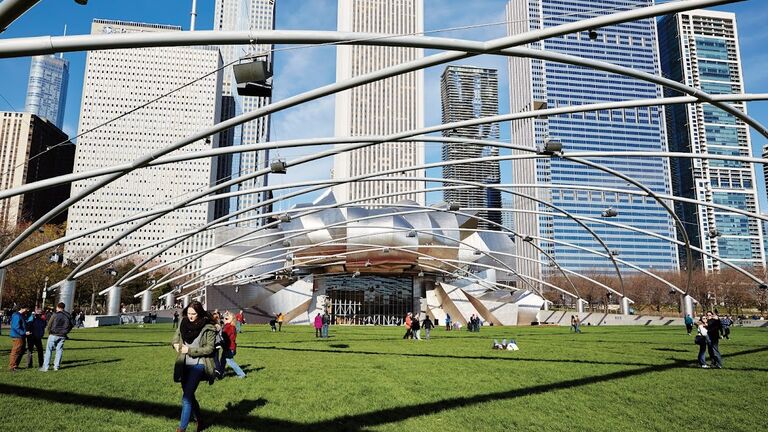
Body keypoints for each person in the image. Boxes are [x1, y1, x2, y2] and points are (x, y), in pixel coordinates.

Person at [172, 301, 216, 432]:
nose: (190, 316)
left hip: (199, 365)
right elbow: (175, 338)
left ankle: (181, 429)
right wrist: (175, 344)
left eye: (193, 314)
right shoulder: (183, 323)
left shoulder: (208, 327)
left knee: (186, 398)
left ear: (199, 313)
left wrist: (190, 351)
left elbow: (209, 349)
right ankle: (200, 420)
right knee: (189, 395)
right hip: (184, 364)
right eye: (189, 313)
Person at [40, 302, 73, 372]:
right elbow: (71, 324)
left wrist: (49, 332)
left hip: (53, 334)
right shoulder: (68, 315)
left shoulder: (55, 315)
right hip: (62, 335)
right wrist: (66, 332)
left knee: (49, 350)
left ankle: (45, 367)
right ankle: (56, 367)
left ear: (58, 307)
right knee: (59, 350)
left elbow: (49, 324)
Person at [219, 312, 246, 379]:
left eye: (227, 318)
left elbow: (225, 337)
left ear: (232, 319)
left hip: (229, 348)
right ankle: (220, 374)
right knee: (223, 361)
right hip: (228, 347)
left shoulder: (229, 327)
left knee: (230, 361)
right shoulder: (229, 326)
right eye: (225, 318)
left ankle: (241, 374)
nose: (225, 319)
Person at [8, 306, 30, 372]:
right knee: (16, 351)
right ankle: (12, 366)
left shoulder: (21, 315)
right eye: (27, 308)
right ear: (22, 308)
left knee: (21, 351)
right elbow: (16, 327)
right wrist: (24, 333)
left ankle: (16, 365)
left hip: (21, 336)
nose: (27, 310)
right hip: (18, 336)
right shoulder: (17, 316)